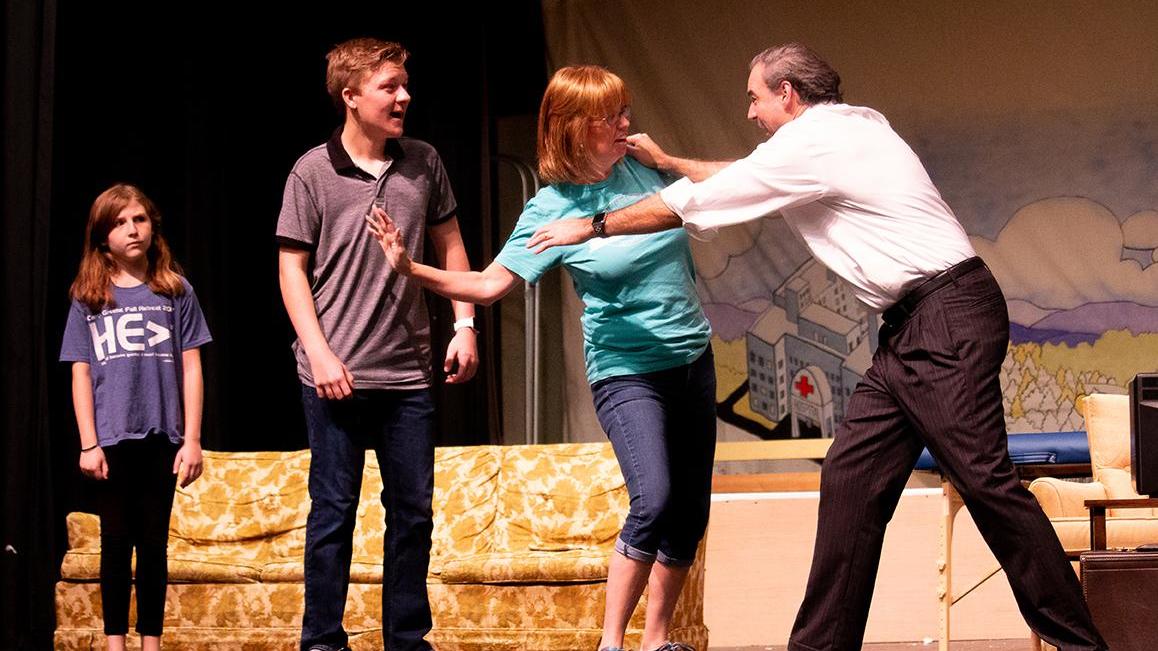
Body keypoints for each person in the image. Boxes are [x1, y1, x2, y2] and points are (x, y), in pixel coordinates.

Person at [526, 43, 1108, 651]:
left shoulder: (815, 144)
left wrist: (590, 225)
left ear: (787, 95)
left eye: (755, 98)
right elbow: (743, 176)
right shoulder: (852, 124)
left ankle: (1082, 645)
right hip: (913, 328)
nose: (750, 112)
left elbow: (695, 203)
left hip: (945, 316)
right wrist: (671, 159)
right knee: (852, 476)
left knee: (987, 484)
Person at [367, 65, 713, 651]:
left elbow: (737, 187)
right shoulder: (550, 208)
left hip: (692, 358)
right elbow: (486, 286)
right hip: (627, 372)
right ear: (578, 128)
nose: (628, 123)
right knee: (652, 499)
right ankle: (611, 644)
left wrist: (671, 162)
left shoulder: (643, 167)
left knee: (687, 513)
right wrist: (410, 269)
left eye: (626, 110)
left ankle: (657, 641)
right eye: (614, 116)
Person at [276, 37, 478, 651]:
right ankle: (322, 642)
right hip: (335, 373)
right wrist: (318, 351)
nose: (404, 97)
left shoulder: (423, 161)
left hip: (409, 373)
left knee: (413, 514)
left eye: (403, 85)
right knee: (333, 514)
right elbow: (291, 270)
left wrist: (464, 323)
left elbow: (450, 245)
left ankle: (407, 641)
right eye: (390, 86)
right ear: (351, 96)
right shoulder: (312, 170)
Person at [60, 183, 212, 651]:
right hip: (111, 438)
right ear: (103, 236)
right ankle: (114, 643)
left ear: (152, 227)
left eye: (139, 219)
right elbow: (81, 372)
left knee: (152, 544)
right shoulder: (89, 296)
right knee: (115, 540)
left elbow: (191, 366)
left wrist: (192, 439)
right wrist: (89, 442)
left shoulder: (174, 290)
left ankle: (151, 641)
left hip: (162, 436)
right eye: (120, 222)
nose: (132, 229)